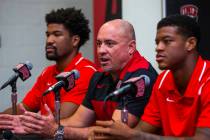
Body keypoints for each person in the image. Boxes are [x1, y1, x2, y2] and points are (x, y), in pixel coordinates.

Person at [14, 19, 158, 139]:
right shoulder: (99, 77)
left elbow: (112, 134)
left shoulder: (140, 78)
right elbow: (78, 121)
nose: (101, 50)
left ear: (131, 47)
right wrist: (40, 125)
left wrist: (56, 130)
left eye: (110, 44)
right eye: (99, 44)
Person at [88, 15, 210, 140]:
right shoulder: (163, 80)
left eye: (167, 41)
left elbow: (203, 138)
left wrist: (133, 135)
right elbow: (142, 130)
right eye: (157, 42)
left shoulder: (207, 80)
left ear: (190, 43)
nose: (158, 48)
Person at [0, 7, 97, 130]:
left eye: (57, 34)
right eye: (48, 34)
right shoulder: (48, 72)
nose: (49, 40)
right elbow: (23, 108)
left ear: (75, 40)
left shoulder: (86, 72)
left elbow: (59, 119)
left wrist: (24, 121)